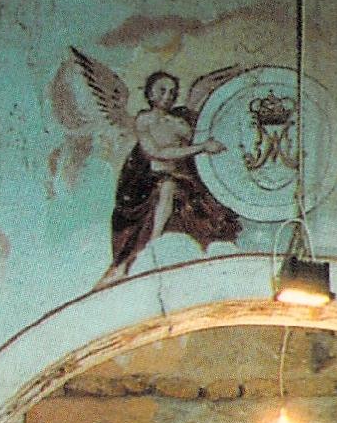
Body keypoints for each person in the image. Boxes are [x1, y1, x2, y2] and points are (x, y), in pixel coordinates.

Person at [102, 71, 239, 283]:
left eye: (172, 92)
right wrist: (201, 147)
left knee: (198, 203)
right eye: (162, 90)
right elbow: (156, 152)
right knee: (167, 186)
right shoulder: (144, 119)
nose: (168, 96)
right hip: (148, 182)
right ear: (149, 94)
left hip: (182, 180)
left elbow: (201, 141)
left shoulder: (181, 123)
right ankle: (151, 246)